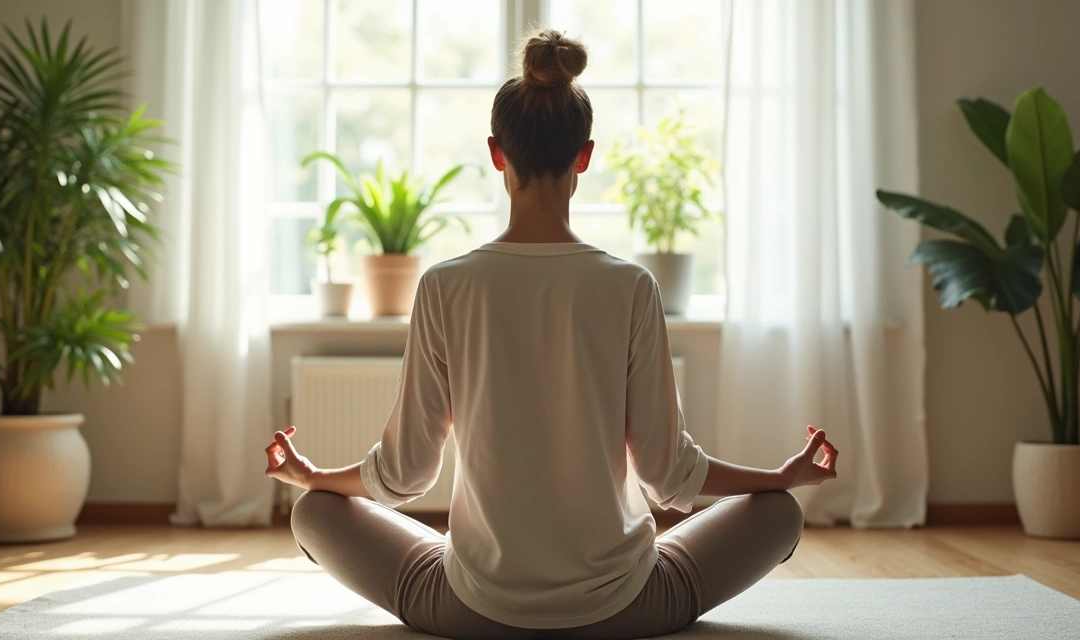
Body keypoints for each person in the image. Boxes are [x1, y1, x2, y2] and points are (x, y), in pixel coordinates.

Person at [264, 29, 838, 640]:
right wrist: (780, 478)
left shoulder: (444, 285)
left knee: (315, 514)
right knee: (779, 514)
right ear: (585, 155)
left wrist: (315, 478)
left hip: (471, 611)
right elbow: (670, 476)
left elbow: (405, 476)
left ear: (496, 152)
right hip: (628, 609)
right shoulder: (630, 286)